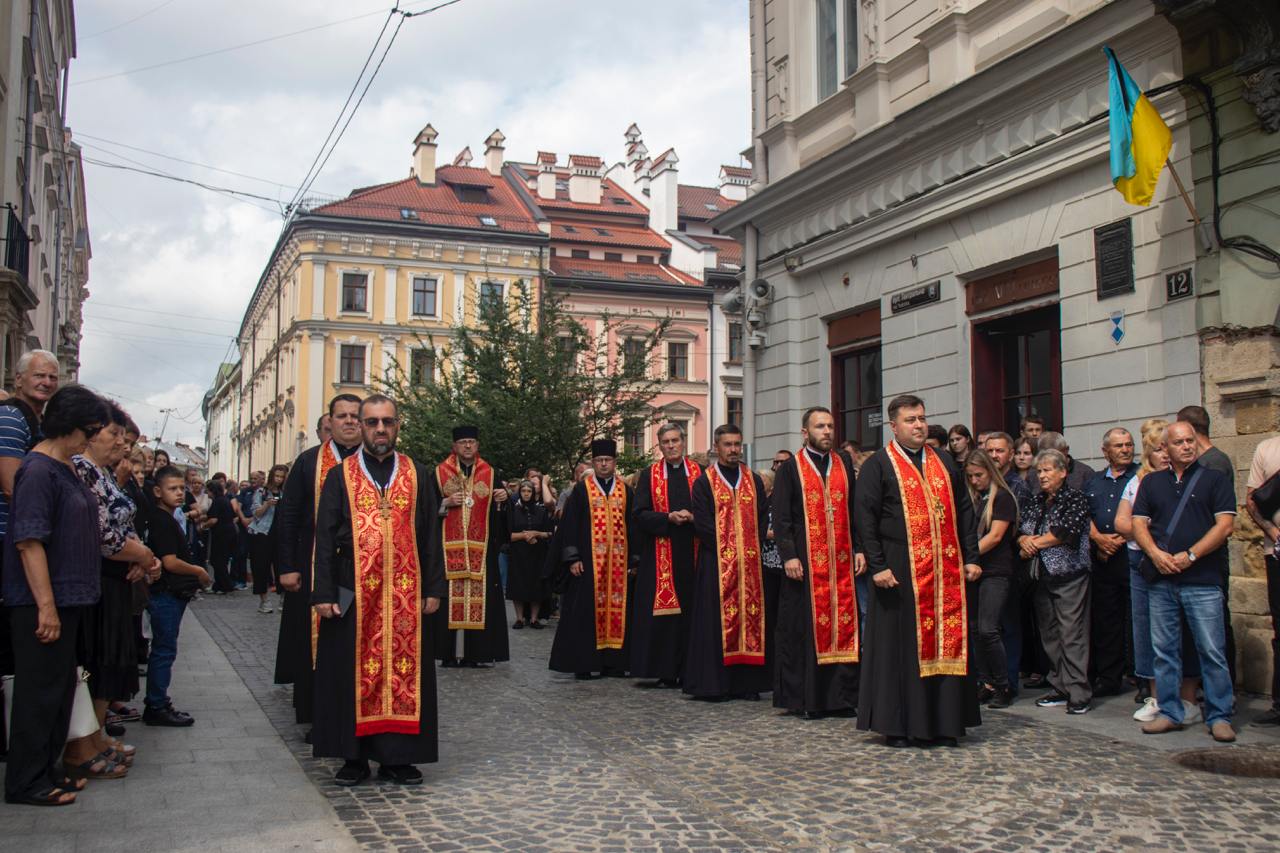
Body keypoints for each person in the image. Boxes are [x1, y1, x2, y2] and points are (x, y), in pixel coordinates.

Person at [311, 394, 444, 786]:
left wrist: (435, 586)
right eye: (372, 422)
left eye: (387, 422)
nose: (380, 429)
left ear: (398, 425)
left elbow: (430, 536)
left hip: (407, 590)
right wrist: (322, 593)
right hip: (354, 589)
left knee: (403, 674)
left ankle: (397, 758)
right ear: (363, 428)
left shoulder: (418, 474)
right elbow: (323, 535)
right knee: (351, 673)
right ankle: (353, 759)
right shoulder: (341, 476)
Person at [855, 395, 981, 747]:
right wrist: (877, 565)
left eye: (922, 418)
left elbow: (964, 511)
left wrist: (971, 556)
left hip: (945, 571)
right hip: (899, 569)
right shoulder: (879, 465)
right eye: (911, 420)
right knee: (902, 648)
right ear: (893, 426)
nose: (919, 425)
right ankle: (901, 724)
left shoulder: (943, 461)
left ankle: (946, 722)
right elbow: (865, 518)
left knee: (947, 642)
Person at [3, 385, 107, 806]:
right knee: (37, 693)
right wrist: (45, 605)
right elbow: (29, 541)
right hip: (43, 602)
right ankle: (25, 781)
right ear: (68, 426)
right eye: (90, 430)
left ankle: (50, 769)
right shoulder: (38, 470)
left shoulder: (67, 467)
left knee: (60, 690)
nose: (92, 438)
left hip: (71, 598)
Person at [1132, 421, 1237, 742]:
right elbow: (1138, 524)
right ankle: (1169, 712)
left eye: (1190, 440)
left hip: (1202, 579)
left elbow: (1224, 526)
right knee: (1164, 650)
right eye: (1179, 442)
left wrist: (1190, 555)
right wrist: (1155, 555)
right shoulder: (1152, 484)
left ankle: (1219, 715)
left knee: (1211, 650)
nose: (1187, 446)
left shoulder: (1214, 480)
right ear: (1165, 448)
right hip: (1162, 579)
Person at [70, 401, 158, 777]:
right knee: (98, 661)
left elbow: (123, 521)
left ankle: (94, 735)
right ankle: (82, 743)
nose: (122, 444)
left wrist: (140, 556)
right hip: (103, 576)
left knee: (110, 659)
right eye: (115, 435)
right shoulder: (84, 469)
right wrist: (142, 554)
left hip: (118, 576)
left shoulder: (103, 472)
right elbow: (104, 534)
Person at [274, 394, 362, 731]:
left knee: (349, 642)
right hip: (315, 564)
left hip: (358, 569)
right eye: (342, 416)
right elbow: (289, 517)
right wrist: (287, 566)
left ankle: (353, 711)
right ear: (331, 421)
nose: (349, 421)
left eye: (356, 415)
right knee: (316, 640)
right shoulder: (309, 462)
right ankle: (317, 714)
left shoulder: (373, 463)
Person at [771, 407, 862, 719]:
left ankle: (842, 697)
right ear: (805, 432)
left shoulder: (843, 463)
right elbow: (782, 516)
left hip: (841, 562)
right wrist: (789, 555)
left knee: (843, 627)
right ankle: (808, 698)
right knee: (804, 629)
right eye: (820, 426)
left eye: (830, 426)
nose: (827, 432)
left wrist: (860, 549)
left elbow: (854, 510)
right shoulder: (791, 468)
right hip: (806, 563)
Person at [684, 424, 771, 701]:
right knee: (715, 623)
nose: (733, 450)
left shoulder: (753, 480)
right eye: (728, 445)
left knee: (750, 620)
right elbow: (702, 522)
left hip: (750, 565)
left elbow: (761, 516)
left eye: (737, 444)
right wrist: (727, 547)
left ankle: (746, 684)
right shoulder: (704, 482)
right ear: (716, 446)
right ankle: (715, 684)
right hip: (716, 563)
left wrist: (749, 545)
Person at [549, 439, 635, 679]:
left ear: (615, 462)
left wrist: (634, 560)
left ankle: (615, 663)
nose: (604, 464)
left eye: (608, 460)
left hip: (618, 564)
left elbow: (633, 526)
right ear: (594, 463)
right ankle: (584, 663)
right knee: (584, 612)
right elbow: (570, 527)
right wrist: (572, 557)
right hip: (588, 563)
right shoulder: (581, 490)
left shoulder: (625, 490)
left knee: (618, 610)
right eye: (599, 461)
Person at [1020, 449, 1094, 715]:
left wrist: (1033, 543)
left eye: (1048, 470)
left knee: (1072, 633)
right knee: (1050, 634)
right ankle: (1060, 684)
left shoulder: (1075, 498)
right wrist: (1024, 541)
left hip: (1069, 574)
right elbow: (1023, 529)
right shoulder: (1037, 500)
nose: (1042, 475)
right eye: (1039, 471)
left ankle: (1078, 691)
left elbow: (1066, 532)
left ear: (1063, 472)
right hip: (1041, 576)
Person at [629, 423, 701, 687]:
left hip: (694, 553)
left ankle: (691, 668)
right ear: (659, 446)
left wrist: (694, 517)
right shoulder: (650, 475)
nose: (671, 446)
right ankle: (666, 669)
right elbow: (639, 514)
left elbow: (712, 510)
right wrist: (667, 517)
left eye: (675, 441)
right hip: (661, 553)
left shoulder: (700, 473)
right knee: (666, 616)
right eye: (665, 442)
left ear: (683, 442)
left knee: (693, 612)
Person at [431, 426, 509, 669]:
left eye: (471, 442)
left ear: (477, 446)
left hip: (481, 550)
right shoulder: (438, 473)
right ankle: (447, 653)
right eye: (463, 442)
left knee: (481, 601)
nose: (467, 446)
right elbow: (425, 509)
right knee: (447, 602)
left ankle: (477, 653)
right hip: (447, 549)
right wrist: (444, 502)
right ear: (454, 446)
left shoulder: (491, 473)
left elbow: (500, 518)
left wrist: (502, 502)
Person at [1115, 418, 1173, 721]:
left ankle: (1183, 696)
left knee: (1174, 631)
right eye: (1157, 449)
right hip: (1141, 561)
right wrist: (1145, 531)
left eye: (1167, 448)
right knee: (1145, 628)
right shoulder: (1137, 481)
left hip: (1177, 562)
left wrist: (1142, 526)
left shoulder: (1183, 479)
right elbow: (1123, 523)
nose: (1163, 454)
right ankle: (1154, 693)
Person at [143, 465, 210, 726]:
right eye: (173, 489)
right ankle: (157, 704)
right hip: (166, 593)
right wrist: (198, 571)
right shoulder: (161, 519)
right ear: (158, 491)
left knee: (164, 647)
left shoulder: (169, 517)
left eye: (181, 488)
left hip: (172, 594)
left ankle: (158, 700)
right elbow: (170, 562)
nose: (180, 493)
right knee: (164, 649)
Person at [1084, 428, 1140, 697]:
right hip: (1102, 560)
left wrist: (1114, 540)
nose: (1125, 449)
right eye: (1118, 445)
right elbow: (1085, 514)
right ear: (1106, 451)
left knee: (1136, 619)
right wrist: (1099, 539)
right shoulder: (1094, 481)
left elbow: (1142, 514)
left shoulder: (1142, 477)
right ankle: (1109, 676)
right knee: (1107, 620)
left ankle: (1141, 677)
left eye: (1129, 444)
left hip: (1130, 556)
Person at [964, 449, 1019, 709]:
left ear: (990, 472)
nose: (975, 480)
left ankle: (1003, 683)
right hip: (975, 571)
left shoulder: (1003, 497)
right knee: (975, 629)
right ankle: (985, 682)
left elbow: (995, 536)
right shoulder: (976, 499)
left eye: (979, 475)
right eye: (971, 476)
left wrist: (969, 555)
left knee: (988, 629)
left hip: (996, 570)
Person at [1246, 433, 1280, 726]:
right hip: (1277, 551)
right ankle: (1279, 704)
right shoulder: (1267, 448)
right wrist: (1273, 532)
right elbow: (1252, 499)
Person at [507, 480, 552, 628]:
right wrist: (524, 536)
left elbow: (549, 533)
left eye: (529, 491)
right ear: (519, 492)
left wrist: (537, 533)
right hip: (519, 554)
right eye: (523, 491)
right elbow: (507, 535)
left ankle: (534, 618)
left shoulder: (541, 511)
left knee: (536, 585)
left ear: (533, 493)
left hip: (537, 554)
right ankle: (519, 618)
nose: (526, 494)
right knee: (518, 585)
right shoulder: (513, 510)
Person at [248, 464, 288, 614]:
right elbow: (256, 513)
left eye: (281, 477)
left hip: (281, 535)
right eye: (276, 476)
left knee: (282, 566)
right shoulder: (262, 491)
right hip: (262, 533)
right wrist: (267, 504)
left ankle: (283, 598)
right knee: (261, 567)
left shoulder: (287, 492)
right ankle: (264, 601)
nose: (278, 479)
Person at [205, 479, 238, 594]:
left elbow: (213, 519)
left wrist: (203, 526)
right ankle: (218, 585)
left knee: (217, 560)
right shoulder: (225, 500)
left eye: (208, 491)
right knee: (221, 560)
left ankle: (226, 584)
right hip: (229, 532)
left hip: (221, 534)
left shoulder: (217, 501)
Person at [985, 432, 1031, 509]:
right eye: (990, 451)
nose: (993, 455)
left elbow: (1020, 519)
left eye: (999, 451)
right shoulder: (983, 481)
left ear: (1011, 455)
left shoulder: (1019, 486)